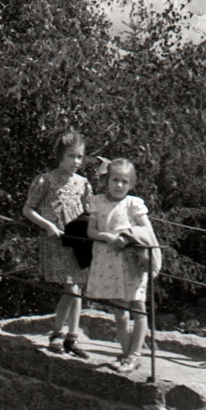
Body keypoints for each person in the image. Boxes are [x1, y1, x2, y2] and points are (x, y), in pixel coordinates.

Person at [23, 129, 92, 357]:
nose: (76, 161)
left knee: (78, 289)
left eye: (80, 157)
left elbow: (89, 212)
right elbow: (28, 209)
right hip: (56, 241)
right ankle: (56, 334)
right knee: (71, 288)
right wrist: (48, 225)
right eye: (71, 156)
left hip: (78, 241)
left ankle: (72, 338)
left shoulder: (83, 183)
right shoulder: (46, 180)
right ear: (60, 156)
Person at [86, 157, 159, 373]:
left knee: (138, 307)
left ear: (132, 184)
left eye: (124, 182)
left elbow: (148, 232)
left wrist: (127, 236)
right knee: (119, 313)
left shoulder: (133, 204)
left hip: (130, 263)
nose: (119, 185)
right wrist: (108, 237)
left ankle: (133, 355)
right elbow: (91, 231)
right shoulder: (97, 201)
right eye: (115, 180)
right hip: (108, 262)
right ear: (106, 180)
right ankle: (127, 354)